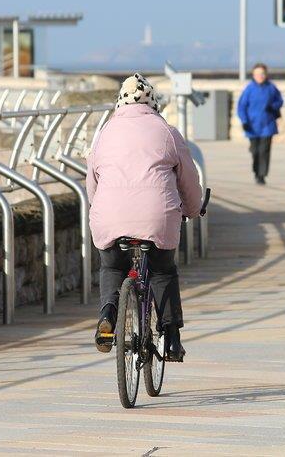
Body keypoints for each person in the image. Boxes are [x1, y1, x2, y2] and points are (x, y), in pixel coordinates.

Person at [86, 73, 202, 362]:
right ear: (153, 104)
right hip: (156, 216)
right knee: (163, 270)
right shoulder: (167, 132)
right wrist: (191, 208)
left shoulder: (105, 133)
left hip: (109, 215)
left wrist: (99, 208)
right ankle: (172, 337)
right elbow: (188, 179)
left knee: (112, 267)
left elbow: (92, 182)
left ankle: (108, 316)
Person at [237, 63, 284, 185]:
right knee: (255, 151)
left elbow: (280, 100)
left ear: (266, 74)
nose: (260, 76)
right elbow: (241, 106)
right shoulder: (249, 89)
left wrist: (273, 107)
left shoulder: (271, 88)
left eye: (262, 74)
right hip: (252, 126)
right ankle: (256, 170)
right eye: (258, 74)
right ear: (253, 75)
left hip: (267, 125)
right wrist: (244, 121)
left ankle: (262, 175)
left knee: (264, 150)